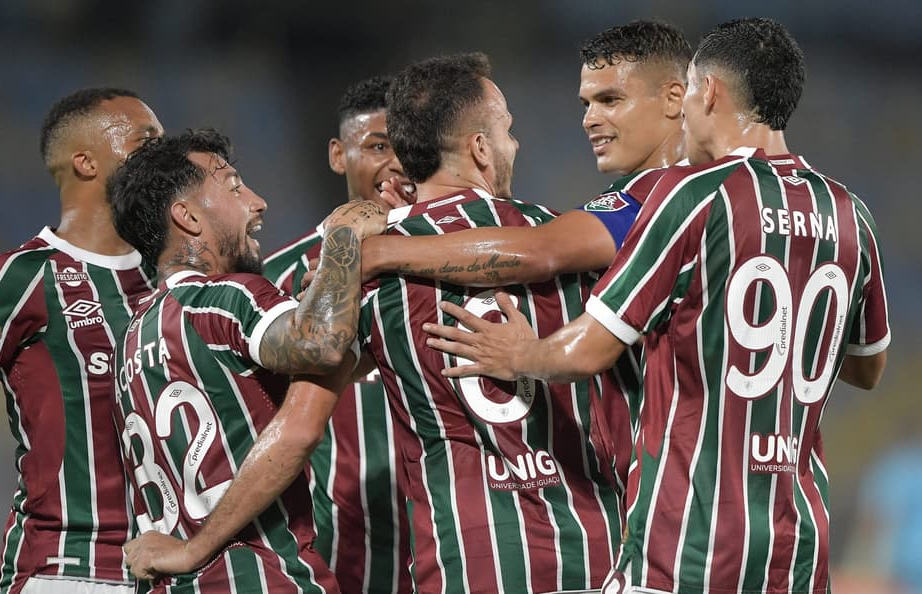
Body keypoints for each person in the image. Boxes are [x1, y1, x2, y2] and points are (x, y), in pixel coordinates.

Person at [425, 18, 890, 594]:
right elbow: (867, 367)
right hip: (798, 544)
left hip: (690, 540)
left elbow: (586, 350)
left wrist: (522, 353)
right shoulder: (851, 214)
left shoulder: (693, 195)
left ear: (707, 92)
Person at [356, 20, 690, 495]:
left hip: (687, 488)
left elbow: (539, 249)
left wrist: (385, 248)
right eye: (586, 104)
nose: (589, 119)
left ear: (676, 98)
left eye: (609, 100)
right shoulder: (745, 190)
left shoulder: (657, 200)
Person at [356, 52, 622, 594]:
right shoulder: (567, 237)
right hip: (595, 547)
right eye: (506, 130)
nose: (514, 145)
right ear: (479, 147)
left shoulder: (362, 262)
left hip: (465, 557)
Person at [107, 129, 387, 593]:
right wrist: (343, 240)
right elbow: (320, 345)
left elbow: (326, 363)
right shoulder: (222, 298)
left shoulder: (133, 339)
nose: (258, 202)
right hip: (256, 575)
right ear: (188, 216)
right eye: (234, 186)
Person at [0, 88, 164, 594]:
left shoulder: (173, 278)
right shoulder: (21, 276)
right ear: (85, 161)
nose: (163, 157)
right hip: (68, 569)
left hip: (175, 572)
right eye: (146, 140)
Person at [263, 75, 413, 594]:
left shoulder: (462, 256)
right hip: (341, 554)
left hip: (461, 539)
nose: (397, 163)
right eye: (376, 146)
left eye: (408, 145)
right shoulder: (275, 282)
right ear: (336, 154)